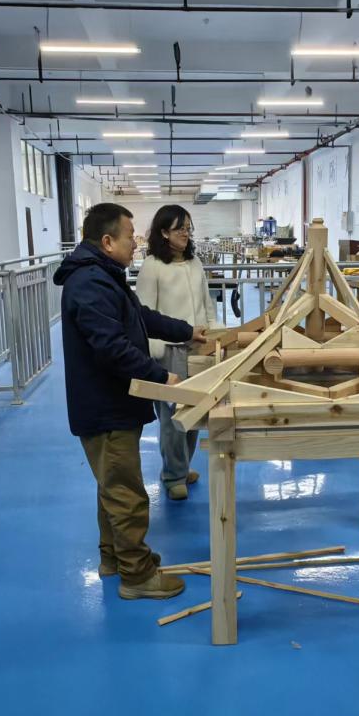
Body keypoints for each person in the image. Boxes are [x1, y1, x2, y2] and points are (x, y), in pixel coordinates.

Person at [53, 203, 207, 601]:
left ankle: (113, 558)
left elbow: (141, 317)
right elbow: (112, 348)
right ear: (107, 241)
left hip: (109, 401)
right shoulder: (90, 283)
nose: (135, 243)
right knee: (126, 493)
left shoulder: (103, 276)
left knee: (111, 486)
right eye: (128, 237)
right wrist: (161, 376)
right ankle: (137, 576)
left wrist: (187, 330)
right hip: (105, 406)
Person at [136, 205, 222, 501]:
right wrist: (154, 349)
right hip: (168, 351)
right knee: (172, 418)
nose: (186, 234)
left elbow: (207, 303)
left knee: (195, 413)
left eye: (188, 228)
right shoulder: (152, 266)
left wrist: (215, 330)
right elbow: (144, 313)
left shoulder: (194, 262)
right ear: (163, 232)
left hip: (198, 346)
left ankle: (182, 468)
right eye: (179, 229)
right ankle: (173, 475)